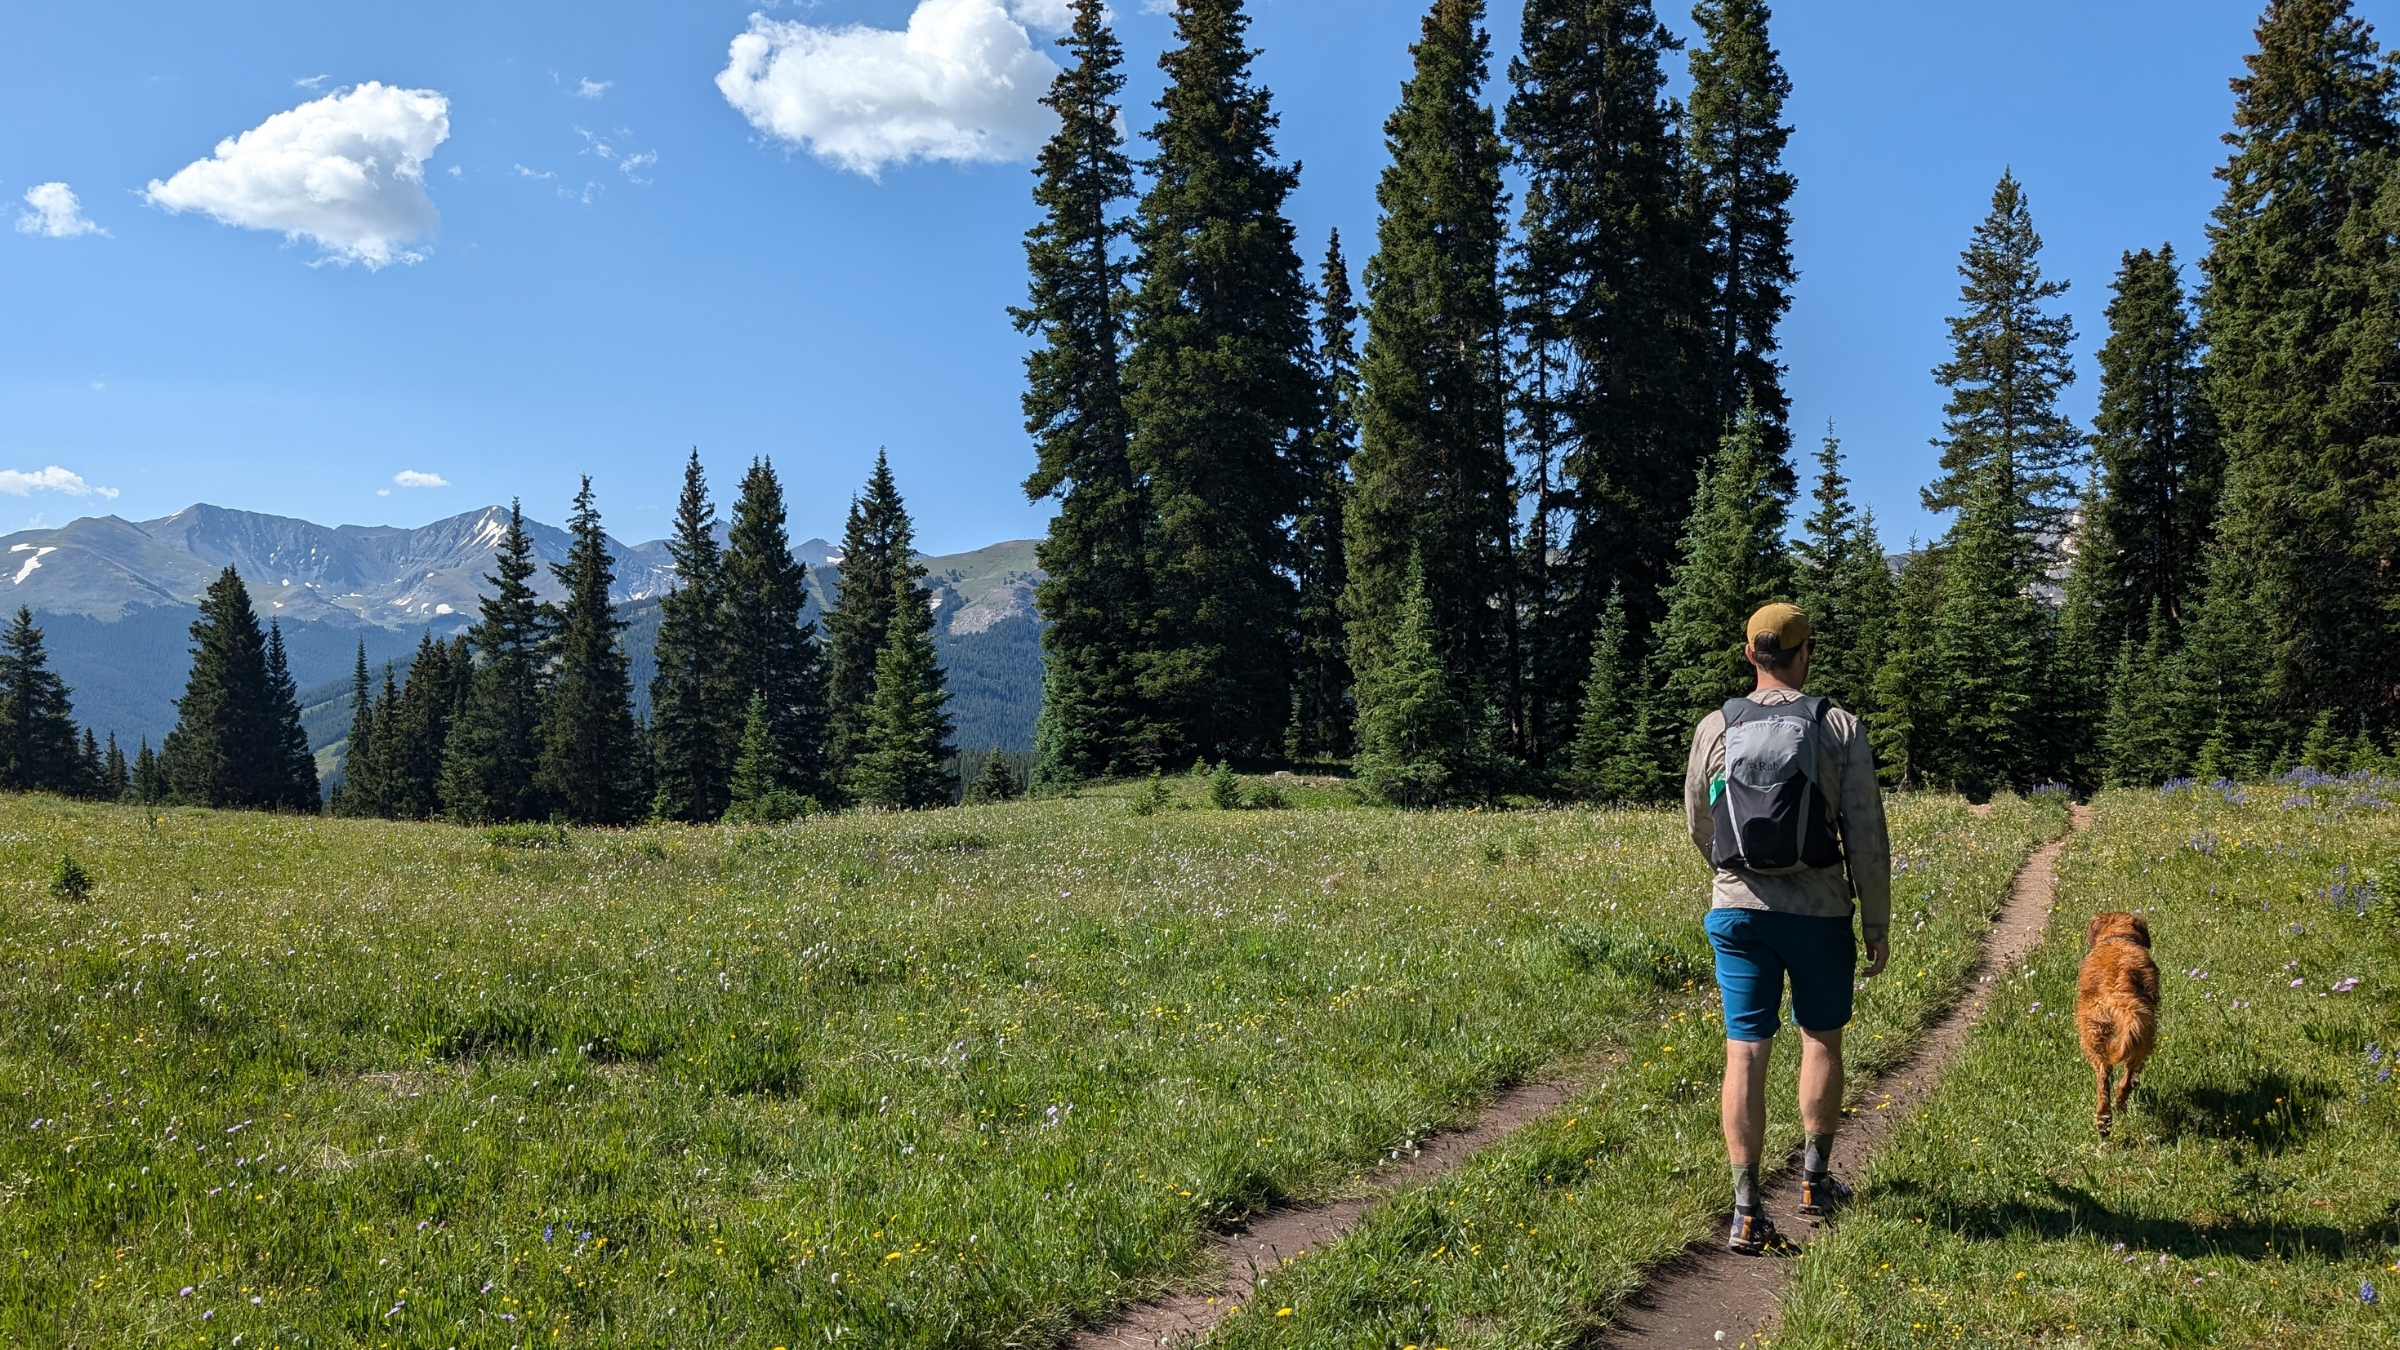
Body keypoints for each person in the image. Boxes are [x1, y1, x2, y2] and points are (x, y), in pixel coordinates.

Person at [1684, 603, 1891, 1255]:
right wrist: (1876, 920)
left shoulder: (1715, 726)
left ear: (1750, 655)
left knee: (1745, 1050)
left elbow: (1699, 823)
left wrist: (1737, 878)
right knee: (1820, 1040)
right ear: (1806, 652)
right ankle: (1814, 1183)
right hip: (1819, 910)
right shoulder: (1837, 726)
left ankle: (1745, 1211)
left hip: (1737, 910)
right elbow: (1865, 833)